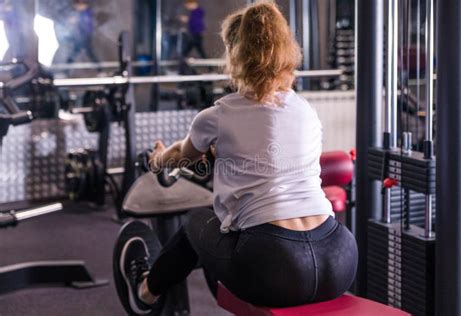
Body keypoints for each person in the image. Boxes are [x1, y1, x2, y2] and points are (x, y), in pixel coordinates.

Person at [117, 3, 358, 314]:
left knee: (196, 223)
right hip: (339, 257)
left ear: (235, 55)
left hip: (275, 265)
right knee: (226, 236)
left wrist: (158, 157)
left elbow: (181, 157)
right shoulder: (305, 111)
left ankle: (146, 293)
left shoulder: (220, 114)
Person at [66, 0, 99, 65]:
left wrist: (76, 20)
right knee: (77, 53)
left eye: (78, 5)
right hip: (80, 36)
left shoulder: (87, 13)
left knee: (87, 53)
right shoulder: (80, 13)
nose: (76, 7)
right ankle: (65, 71)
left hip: (85, 36)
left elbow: (87, 24)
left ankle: (65, 71)